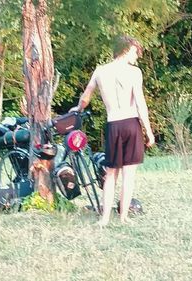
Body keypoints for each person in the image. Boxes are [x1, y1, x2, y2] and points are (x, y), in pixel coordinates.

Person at [70, 35, 155, 226]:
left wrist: (78, 109)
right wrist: (148, 131)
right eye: (135, 51)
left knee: (111, 174)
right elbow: (140, 103)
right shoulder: (134, 73)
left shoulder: (101, 71)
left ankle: (105, 218)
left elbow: (86, 97)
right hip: (131, 124)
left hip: (113, 125)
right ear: (125, 49)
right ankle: (123, 216)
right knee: (128, 175)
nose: (137, 56)